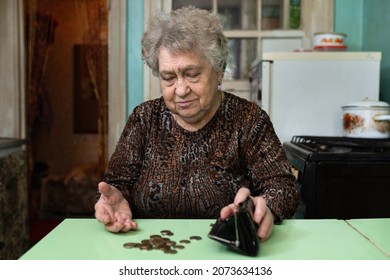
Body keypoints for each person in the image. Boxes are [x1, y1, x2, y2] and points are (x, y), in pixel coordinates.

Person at [94, 6, 299, 241]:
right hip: (151, 249)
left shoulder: (249, 119)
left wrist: (263, 206)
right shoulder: (144, 118)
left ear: (219, 71)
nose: (181, 90)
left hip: (225, 252)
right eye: (168, 77)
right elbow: (117, 184)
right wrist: (114, 201)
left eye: (192, 74)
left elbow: (283, 187)